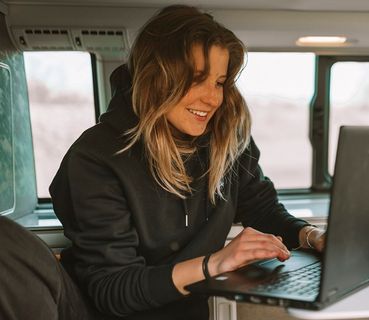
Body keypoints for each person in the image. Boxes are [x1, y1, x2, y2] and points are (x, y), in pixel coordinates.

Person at [46, 4, 324, 320]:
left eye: (219, 82)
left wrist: (311, 236)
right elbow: (114, 289)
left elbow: (263, 211)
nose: (212, 98)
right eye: (196, 79)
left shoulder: (227, 140)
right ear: (156, 78)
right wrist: (215, 263)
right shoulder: (95, 159)